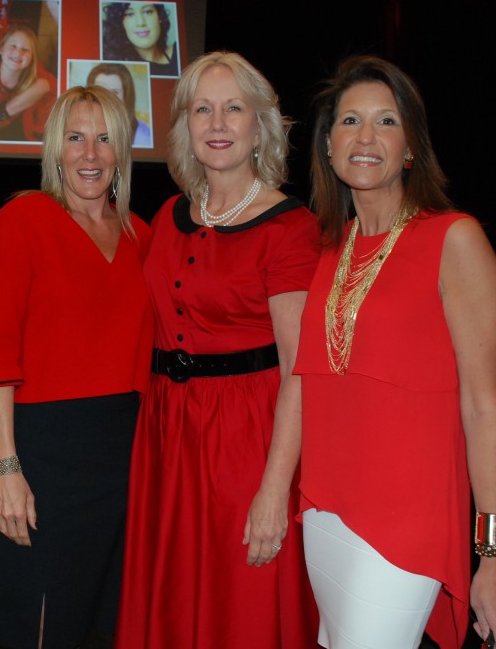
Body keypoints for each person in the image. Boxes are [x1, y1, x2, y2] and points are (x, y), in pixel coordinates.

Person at [294, 55, 496, 648]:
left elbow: (484, 408)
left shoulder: (454, 240)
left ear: (411, 146)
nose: (364, 138)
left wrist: (495, 559)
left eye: (386, 122)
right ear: (328, 145)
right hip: (325, 511)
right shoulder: (328, 251)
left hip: (407, 524)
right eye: (348, 121)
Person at [115, 51, 320, 648]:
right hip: (168, 435)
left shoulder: (289, 227)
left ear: (261, 125)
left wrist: (274, 489)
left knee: (240, 600)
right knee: (172, 599)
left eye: (235, 109)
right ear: (185, 126)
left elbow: (299, 372)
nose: (218, 123)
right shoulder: (167, 214)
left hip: (245, 439)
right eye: (203, 109)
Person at [0, 85, 153, 649]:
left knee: (102, 620)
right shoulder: (22, 218)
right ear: (54, 149)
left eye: (104, 139)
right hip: (41, 456)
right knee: (37, 623)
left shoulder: (142, 236)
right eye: (75, 138)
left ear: (122, 151)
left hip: (124, 453)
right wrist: (4, 467)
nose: (90, 154)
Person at [0, 24, 56, 141]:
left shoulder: (30, 76)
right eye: (13, 46)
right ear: (1, 49)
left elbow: (46, 85)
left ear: (32, 57)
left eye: (26, 49)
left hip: (4, 129)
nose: (18, 53)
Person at [101, 2, 179, 77]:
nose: (140, 22)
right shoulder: (120, 69)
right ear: (120, 23)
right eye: (130, 14)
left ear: (160, 17)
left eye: (148, 12)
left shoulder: (178, 51)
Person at [87, 62, 152, 147]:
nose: (107, 98)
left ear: (125, 97)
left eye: (115, 93)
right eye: (100, 91)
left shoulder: (143, 137)